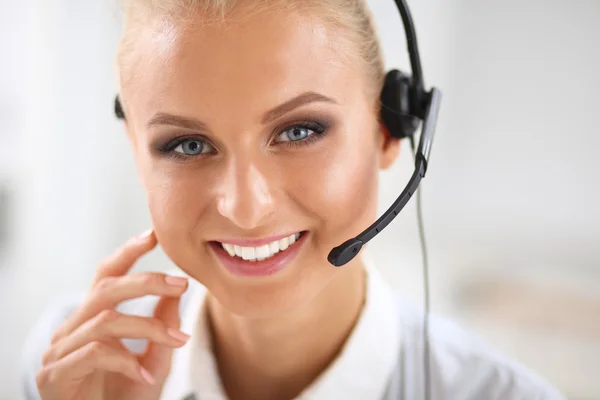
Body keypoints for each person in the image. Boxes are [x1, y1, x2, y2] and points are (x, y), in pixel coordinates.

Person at [20, 1, 566, 399]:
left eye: (299, 131)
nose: (245, 207)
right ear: (139, 156)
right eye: (187, 145)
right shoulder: (77, 367)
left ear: (389, 130)